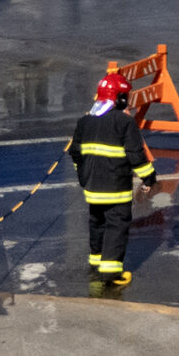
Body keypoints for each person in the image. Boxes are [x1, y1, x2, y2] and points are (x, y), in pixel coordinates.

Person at [68, 68, 155, 287]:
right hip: (116, 188)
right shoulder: (124, 123)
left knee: (97, 223)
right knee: (117, 225)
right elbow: (136, 155)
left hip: (92, 188)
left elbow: (76, 153)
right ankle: (110, 272)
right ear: (121, 98)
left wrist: (84, 177)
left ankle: (96, 262)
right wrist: (149, 178)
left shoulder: (84, 122)